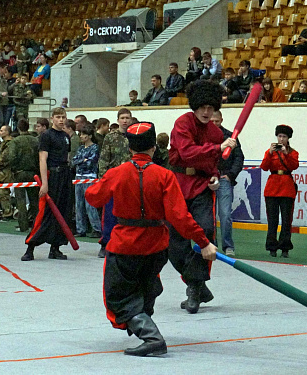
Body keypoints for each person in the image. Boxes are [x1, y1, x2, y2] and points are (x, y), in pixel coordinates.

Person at [85, 121, 218, 357]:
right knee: (146, 284)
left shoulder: (117, 173)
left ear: (130, 149)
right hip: (156, 246)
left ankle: (151, 337)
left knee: (117, 297)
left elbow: (93, 198)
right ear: (153, 148)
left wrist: (106, 183)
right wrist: (203, 241)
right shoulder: (165, 175)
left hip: (125, 244)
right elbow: (180, 217)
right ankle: (146, 311)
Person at [168, 80, 236, 314]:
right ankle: (196, 283)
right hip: (177, 185)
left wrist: (215, 175)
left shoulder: (215, 132)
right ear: (195, 106)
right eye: (203, 107)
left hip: (200, 187)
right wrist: (218, 148)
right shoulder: (182, 123)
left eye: (211, 108)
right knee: (174, 241)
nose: (207, 112)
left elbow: (212, 163)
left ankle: (194, 289)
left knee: (205, 232)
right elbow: (186, 153)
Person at [22, 108, 73, 261]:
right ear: (52, 119)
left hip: (65, 176)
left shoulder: (66, 136)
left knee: (63, 212)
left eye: (63, 117)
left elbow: (67, 157)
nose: (61, 120)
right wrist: (45, 183)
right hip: (52, 176)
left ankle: (55, 248)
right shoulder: (46, 136)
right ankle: (30, 248)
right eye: (58, 117)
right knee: (45, 213)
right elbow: (42, 160)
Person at [97, 108, 132, 258]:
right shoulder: (110, 137)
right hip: (113, 181)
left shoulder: (135, 136)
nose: (125, 120)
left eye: (127, 118)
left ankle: (127, 244)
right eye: (122, 118)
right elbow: (104, 159)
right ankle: (106, 243)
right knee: (110, 214)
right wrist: (103, 180)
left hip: (131, 182)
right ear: (118, 120)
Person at [260, 125, 299, 258]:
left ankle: (285, 247)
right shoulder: (269, 152)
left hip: (287, 187)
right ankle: (271, 247)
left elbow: (294, 166)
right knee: (272, 220)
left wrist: (286, 153)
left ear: (288, 139)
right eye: (279, 136)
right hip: (272, 187)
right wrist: (270, 153)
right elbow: (264, 167)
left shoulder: (293, 152)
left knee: (287, 220)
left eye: (284, 137)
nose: (281, 139)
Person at [211, 111, 244, 257]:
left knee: (225, 214)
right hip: (207, 179)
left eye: (216, 121)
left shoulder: (232, 137)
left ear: (221, 120)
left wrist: (231, 175)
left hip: (224, 178)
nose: (214, 124)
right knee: (208, 215)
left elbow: (239, 158)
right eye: (211, 121)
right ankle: (210, 244)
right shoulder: (201, 136)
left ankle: (228, 245)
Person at [8, 119, 39, 232]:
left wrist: (14, 168)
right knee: (34, 200)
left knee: (20, 200)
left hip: (19, 173)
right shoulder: (35, 140)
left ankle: (23, 225)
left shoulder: (15, 142)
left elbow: (11, 158)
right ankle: (37, 225)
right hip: (33, 173)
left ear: (18, 128)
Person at [73, 124, 102, 238]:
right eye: (80, 134)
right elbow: (73, 161)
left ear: (89, 136)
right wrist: (82, 160)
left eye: (84, 134)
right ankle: (80, 229)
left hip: (90, 177)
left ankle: (96, 228)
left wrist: (81, 161)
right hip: (78, 177)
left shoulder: (95, 148)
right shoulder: (80, 148)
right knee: (78, 204)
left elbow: (91, 162)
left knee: (90, 204)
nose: (81, 136)